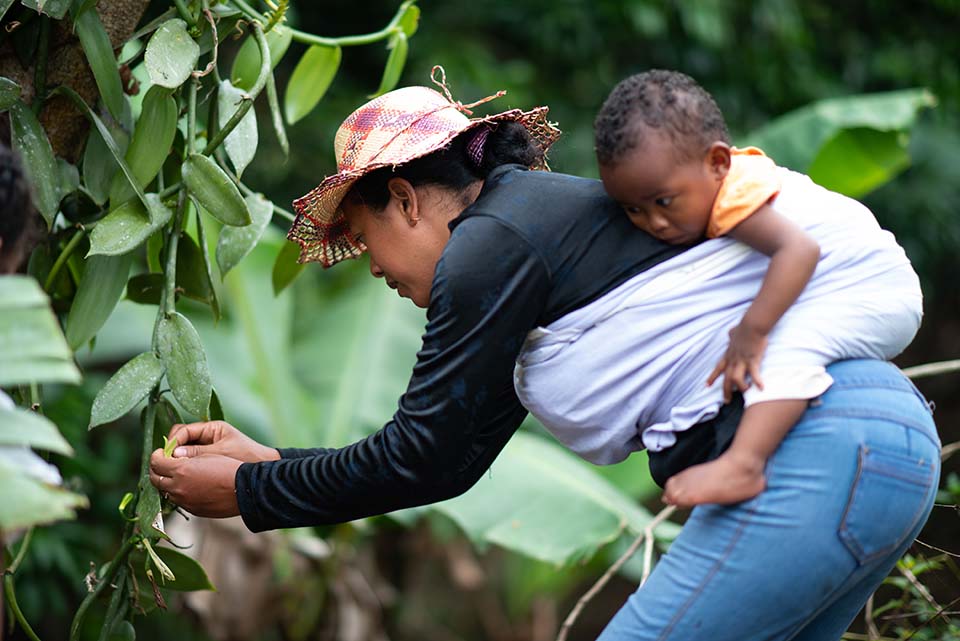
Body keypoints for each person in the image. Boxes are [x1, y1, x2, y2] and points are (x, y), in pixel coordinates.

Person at [149, 68, 941, 640]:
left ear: (404, 197)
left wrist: (255, 491)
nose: (375, 267)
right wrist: (274, 461)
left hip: (819, 445)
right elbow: (447, 456)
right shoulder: (529, 259)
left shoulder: (488, 244)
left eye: (363, 238)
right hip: (885, 444)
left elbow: (422, 454)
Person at [561, 69, 923, 507]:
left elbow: (799, 251)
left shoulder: (737, 197)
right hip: (846, 287)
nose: (652, 222)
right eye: (633, 209)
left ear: (717, 163)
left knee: (785, 348)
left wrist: (751, 333)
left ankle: (745, 464)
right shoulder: (716, 184)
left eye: (663, 202)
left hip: (873, 289)